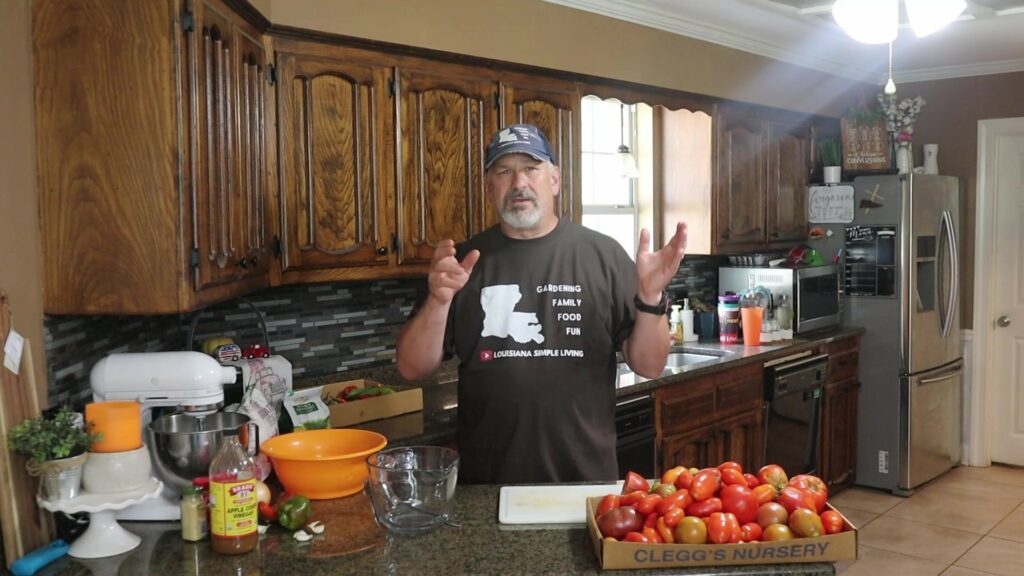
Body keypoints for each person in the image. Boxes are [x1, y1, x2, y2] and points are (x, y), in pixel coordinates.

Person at [396, 123, 687, 484]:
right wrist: (440, 301)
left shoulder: (604, 256)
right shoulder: (461, 265)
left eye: (531, 168)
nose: (519, 183)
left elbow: (649, 365)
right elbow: (411, 368)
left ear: (554, 180)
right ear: (490, 188)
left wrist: (651, 297)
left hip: (585, 481)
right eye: (504, 171)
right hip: (488, 484)